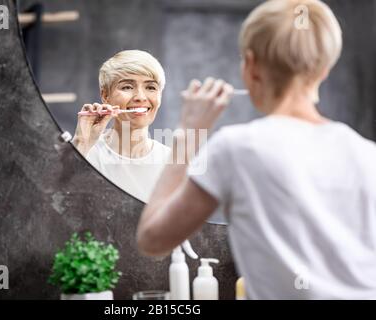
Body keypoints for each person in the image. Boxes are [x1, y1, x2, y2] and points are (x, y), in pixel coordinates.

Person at [137, 0, 376, 299]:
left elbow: (152, 239)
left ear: (250, 65)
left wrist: (189, 131)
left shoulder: (237, 149)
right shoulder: (368, 155)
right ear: (324, 69)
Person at [72, 50, 171, 202]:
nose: (140, 97)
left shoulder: (173, 164)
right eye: (127, 87)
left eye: (151, 87)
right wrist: (81, 143)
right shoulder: (86, 154)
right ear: (105, 96)